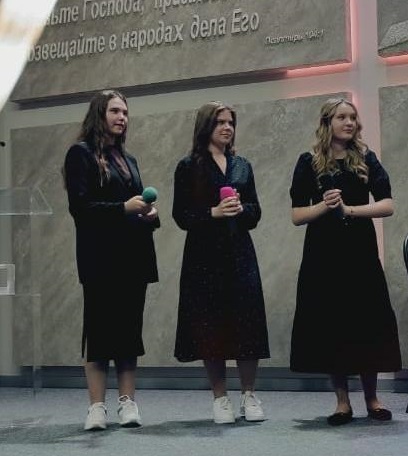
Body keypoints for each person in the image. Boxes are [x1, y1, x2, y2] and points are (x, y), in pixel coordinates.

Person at [289, 98, 402, 426]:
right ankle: (342, 402)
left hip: (360, 252)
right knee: (332, 324)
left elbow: (387, 205)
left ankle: (372, 399)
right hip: (323, 254)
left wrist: (349, 210)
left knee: (368, 322)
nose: (349, 122)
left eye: (353, 117)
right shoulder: (308, 161)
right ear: (328, 123)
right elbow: (297, 215)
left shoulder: (367, 158)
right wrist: (324, 206)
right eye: (342, 117)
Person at [63, 89, 159, 430]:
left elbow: (137, 204)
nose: (122, 117)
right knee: (100, 334)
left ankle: (127, 403)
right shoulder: (80, 153)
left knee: (129, 335)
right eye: (115, 111)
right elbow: (80, 208)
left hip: (133, 258)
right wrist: (123, 208)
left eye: (125, 112)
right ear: (99, 114)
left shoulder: (128, 159)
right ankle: (96, 408)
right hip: (101, 260)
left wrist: (148, 214)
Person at [172, 101, 270, 424]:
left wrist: (243, 210)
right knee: (210, 326)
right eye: (220, 122)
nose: (227, 128)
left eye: (230, 123)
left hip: (240, 253)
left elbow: (256, 212)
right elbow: (181, 215)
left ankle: (249, 394)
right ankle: (220, 398)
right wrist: (212, 212)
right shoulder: (188, 166)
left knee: (247, 324)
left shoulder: (242, 165)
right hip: (204, 258)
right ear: (206, 127)